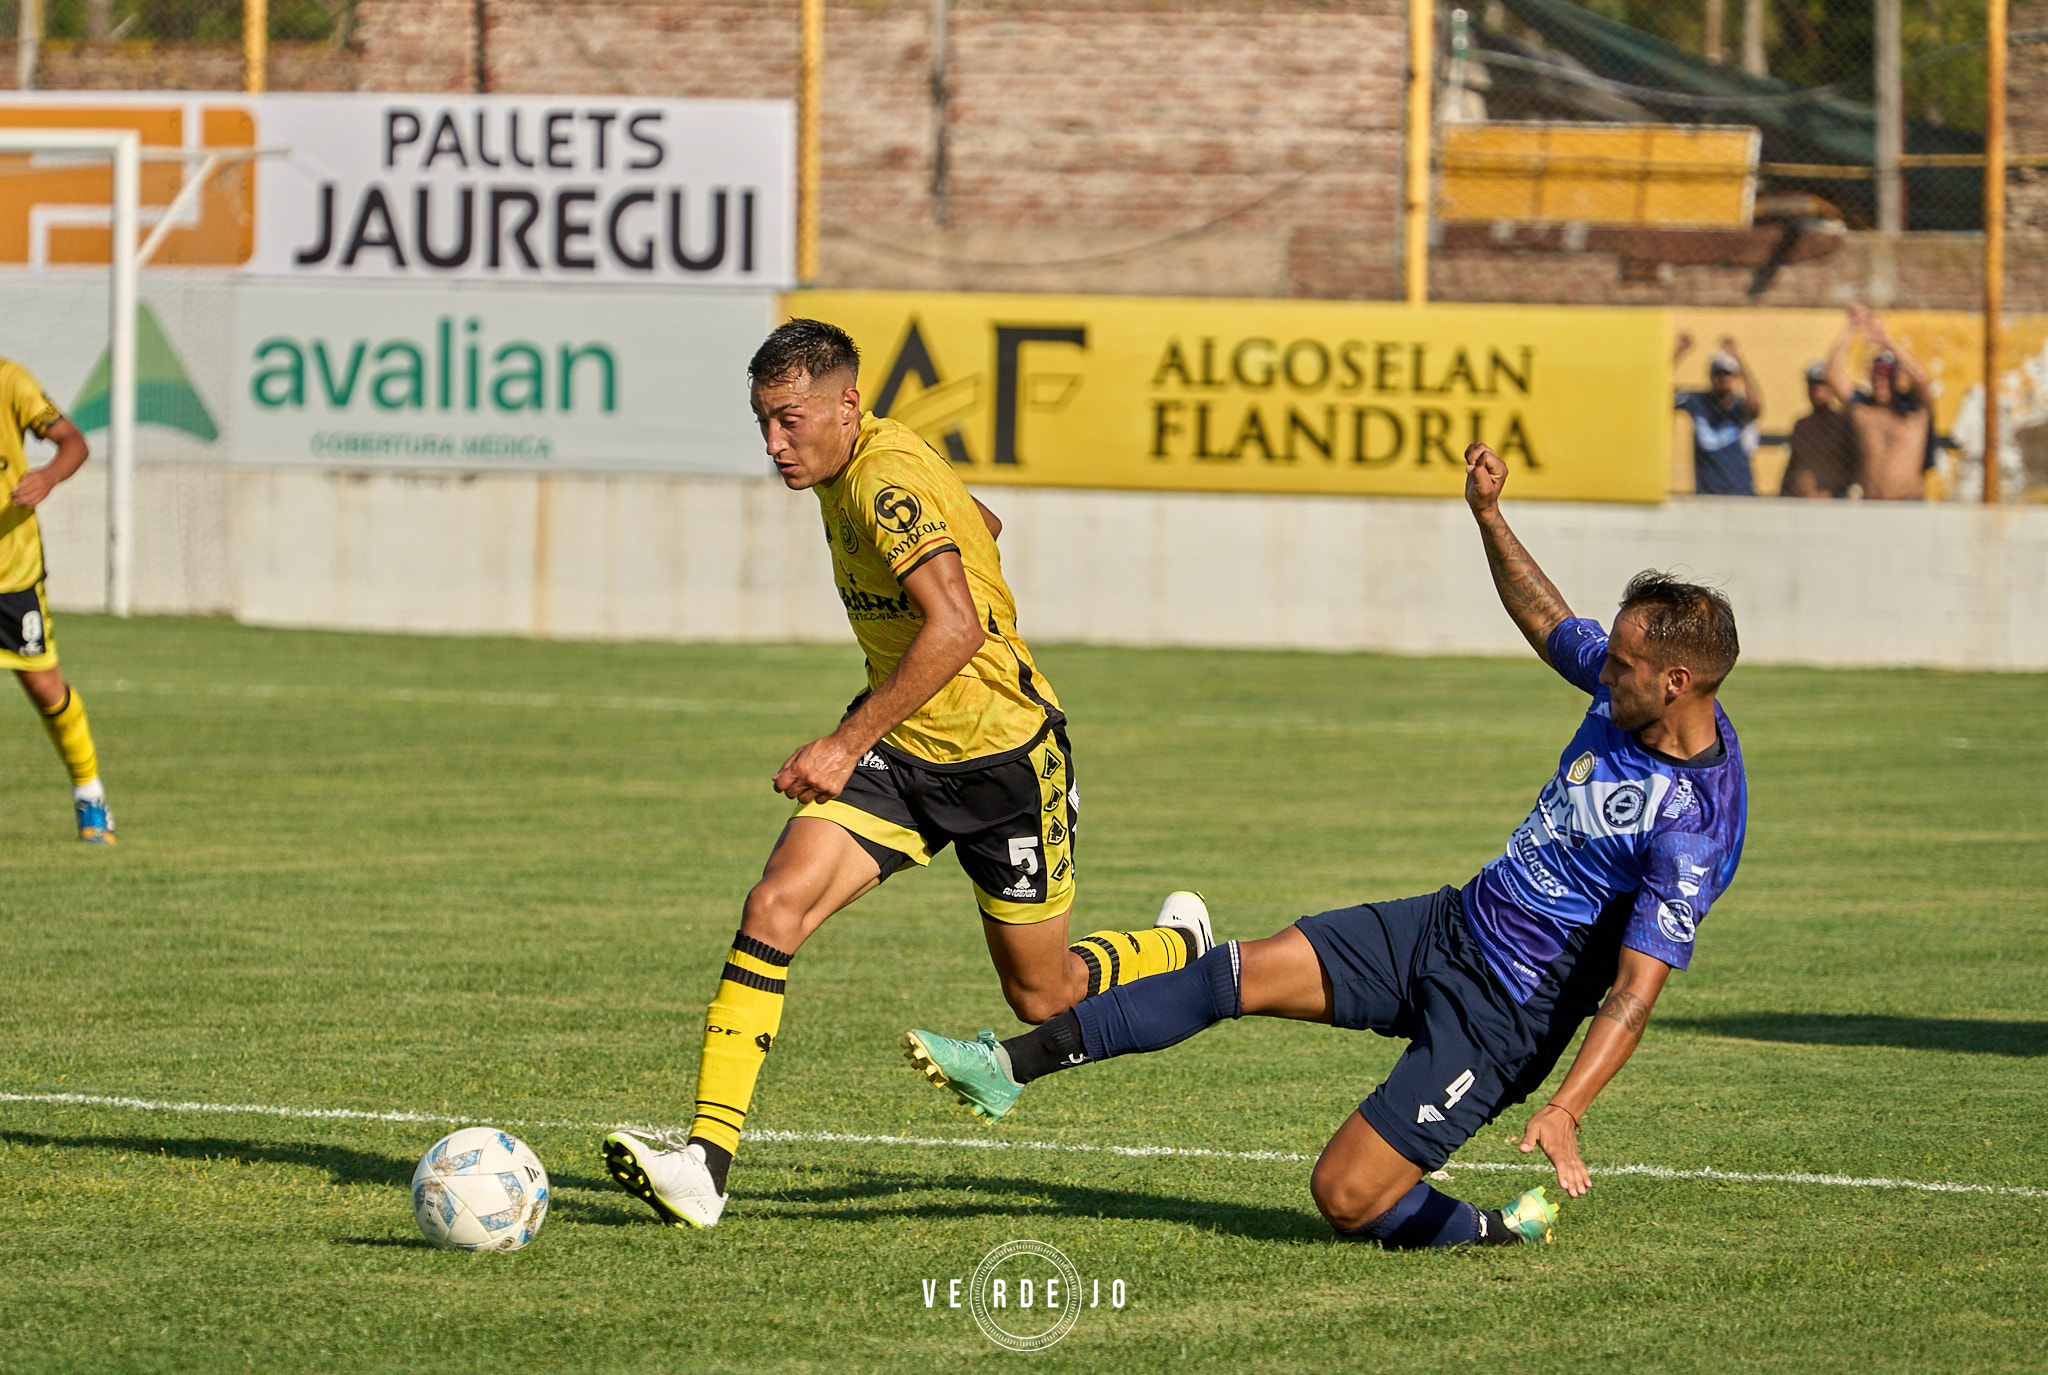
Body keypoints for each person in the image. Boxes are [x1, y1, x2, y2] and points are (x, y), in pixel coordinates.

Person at [902, 439, 1750, 1250]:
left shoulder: (1693, 825)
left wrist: (1567, 1106)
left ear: (1676, 682)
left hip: (1505, 1015)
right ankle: (1007, 1064)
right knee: (1234, 971)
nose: (1603, 668)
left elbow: (1635, 994)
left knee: (1344, 1195)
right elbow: (1550, 622)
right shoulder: (1625, 686)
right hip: (1449, 923)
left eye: (1624, 664)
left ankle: (1497, 1225)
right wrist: (1490, 516)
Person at [602, 319, 1211, 1229]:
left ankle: (1183, 947)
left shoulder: (883, 481)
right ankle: (704, 1166)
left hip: (1005, 761)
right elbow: (985, 523)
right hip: (903, 759)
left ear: (847, 403)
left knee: (1043, 996)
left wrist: (844, 741)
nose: (774, 444)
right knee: (774, 907)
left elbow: (956, 627)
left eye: (789, 420)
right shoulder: (852, 464)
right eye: (764, 422)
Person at [1, 354, 114, 842]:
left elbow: (74, 442)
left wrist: (47, 477)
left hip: (11, 571)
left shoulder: (10, 380)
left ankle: (90, 796)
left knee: (46, 689)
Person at [1825, 306, 1930, 502]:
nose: (1882, 380)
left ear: (1898, 378)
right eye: (1877, 375)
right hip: (1872, 504)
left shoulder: (1914, 411)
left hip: (1907, 503)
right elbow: (1832, 374)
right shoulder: (1863, 410)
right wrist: (1850, 328)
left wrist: (1888, 342)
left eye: (1887, 375)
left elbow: (1921, 379)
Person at [1674, 333, 1763, 496]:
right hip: (1707, 492)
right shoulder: (1696, 401)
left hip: (1740, 492)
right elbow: (1659, 391)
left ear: (1735, 377)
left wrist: (1740, 361)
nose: (1722, 379)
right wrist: (1678, 352)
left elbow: (1756, 405)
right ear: (1710, 375)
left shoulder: (1740, 406)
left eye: (1727, 374)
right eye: (1718, 373)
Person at [1780, 361, 1860, 499]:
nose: (1817, 389)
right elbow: (1792, 466)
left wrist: (1831, 492)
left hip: (1833, 500)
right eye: (1813, 384)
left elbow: (1854, 466)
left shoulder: (1842, 424)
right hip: (1801, 499)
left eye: (1822, 384)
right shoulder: (1801, 426)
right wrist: (1783, 495)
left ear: (1831, 388)